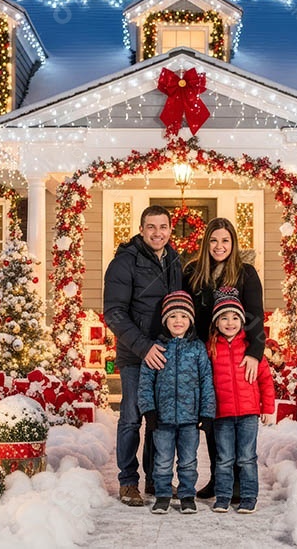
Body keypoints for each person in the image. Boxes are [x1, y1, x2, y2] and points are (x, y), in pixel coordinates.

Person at [103, 205, 183, 507]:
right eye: (151, 227)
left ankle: (155, 479)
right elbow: (114, 312)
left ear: (170, 229)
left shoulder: (174, 260)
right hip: (136, 354)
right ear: (141, 229)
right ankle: (127, 482)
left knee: (157, 420)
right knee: (131, 417)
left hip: (164, 353)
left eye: (163, 227)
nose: (157, 232)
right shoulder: (124, 262)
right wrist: (143, 347)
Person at [182, 217, 265, 499]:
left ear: (233, 243)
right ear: (207, 243)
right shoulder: (193, 272)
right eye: (214, 240)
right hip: (204, 355)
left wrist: (255, 353)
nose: (219, 246)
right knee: (211, 418)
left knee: (238, 419)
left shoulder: (246, 274)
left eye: (225, 241)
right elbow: (187, 316)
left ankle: (241, 481)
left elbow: (255, 317)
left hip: (236, 355)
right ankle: (220, 478)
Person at [137, 291, 216, 515]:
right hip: (162, 418)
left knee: (188, 460)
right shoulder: (157, 348)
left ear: (190, 319)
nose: (178, 321)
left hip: (190, 418)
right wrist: (149, 411)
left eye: (183, 315)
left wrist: (207, 412)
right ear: (165, 320)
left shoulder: (197, 348)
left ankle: (187, 495)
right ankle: (162, 495)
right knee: (162, 460)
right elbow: (145, 382)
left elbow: (206, 381)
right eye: (172, 316)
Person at [207, 287, 275, 514]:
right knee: (224, 458)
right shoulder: (211, 350)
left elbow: (266, 380)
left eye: (235, 317)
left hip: (248, 413)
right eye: (224, 318)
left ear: (242, 321)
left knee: (246, 457)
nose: (230, 322)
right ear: (216, 322)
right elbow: (204, 382)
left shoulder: (251, 350)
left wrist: (268, 407)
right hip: (222, 414)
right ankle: (223, 496)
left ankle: (248, 497)